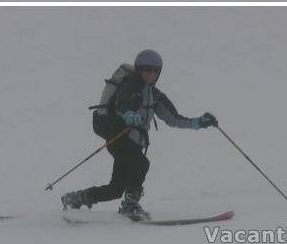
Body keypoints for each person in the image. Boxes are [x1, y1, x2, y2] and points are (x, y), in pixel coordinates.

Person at [61, 50, 218, 220]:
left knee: (115, 189)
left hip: (133, 143)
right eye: (147, 70)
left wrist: (199, 123)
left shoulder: (155, 95)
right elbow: (122, 104)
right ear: (139, 70)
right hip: (118, 137)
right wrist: (129, 115)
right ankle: (130, 206)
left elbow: (173, 119)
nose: (151, 74)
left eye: (155, 71)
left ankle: (75, 199)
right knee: (141, 163)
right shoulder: (130, 86)